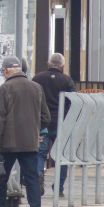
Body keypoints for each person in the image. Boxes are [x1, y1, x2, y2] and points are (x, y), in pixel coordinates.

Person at [0, 56, 50, 207]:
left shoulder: (3, 90)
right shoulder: (37, 88)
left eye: (3, 71)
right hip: (30, 143)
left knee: (0, 178)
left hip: (7, 144)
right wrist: (35, 130)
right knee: (32, 179)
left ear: (7, 71)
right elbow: (46, 117)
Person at [32, 52, 75, 196]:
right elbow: (72, 102)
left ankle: (38, 181)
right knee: (61, 156)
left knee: (39, 154)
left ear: (48, 63)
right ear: (62, 65)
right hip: (61, 124)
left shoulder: (37, 79)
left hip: (41, 123)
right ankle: (59, 187)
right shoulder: (67, 81)